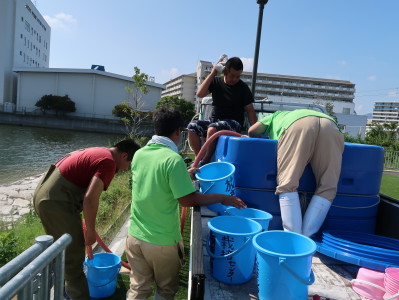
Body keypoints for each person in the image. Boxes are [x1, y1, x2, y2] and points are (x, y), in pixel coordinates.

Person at [126, 107, 246, 300]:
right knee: (165, 290)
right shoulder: (173, 160)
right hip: (161, 243)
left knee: (138, 289)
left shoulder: (140, 154)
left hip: (134, 237)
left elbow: (157, 180)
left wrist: (184, 174)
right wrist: (222, 198)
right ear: (177, 132)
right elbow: (188, 200)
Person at [33, 139, 140, 300]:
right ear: (124, 155)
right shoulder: (109, 162)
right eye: (129, 164)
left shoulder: (101, 151)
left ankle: (61, 293)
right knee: (73, 259)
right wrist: (90, 230)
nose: (127, 169)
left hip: (45, 195)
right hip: (56, 202)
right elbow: (90, 199)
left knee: (60, 252)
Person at [248, 109, 344, 237]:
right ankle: (307, 237)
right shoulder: (309, 113)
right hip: (330, 126)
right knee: (328, 187)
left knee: (288, 184)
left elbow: (252, 130)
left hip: (297, 126)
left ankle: (294, 239)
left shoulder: (276, 115)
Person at [187, 56, 257, 163]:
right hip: (216, 120)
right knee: (192, 127)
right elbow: (200, 94)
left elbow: (250, 110)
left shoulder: (243, 88)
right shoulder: (216, 82)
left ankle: (206, 161)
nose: (235, 79)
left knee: (212, 129)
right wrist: (213, 73)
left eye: (238, 76)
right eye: (232, 76)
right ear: (225, 72)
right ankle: (198, 158)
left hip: (234, 123)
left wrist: (255, 131)